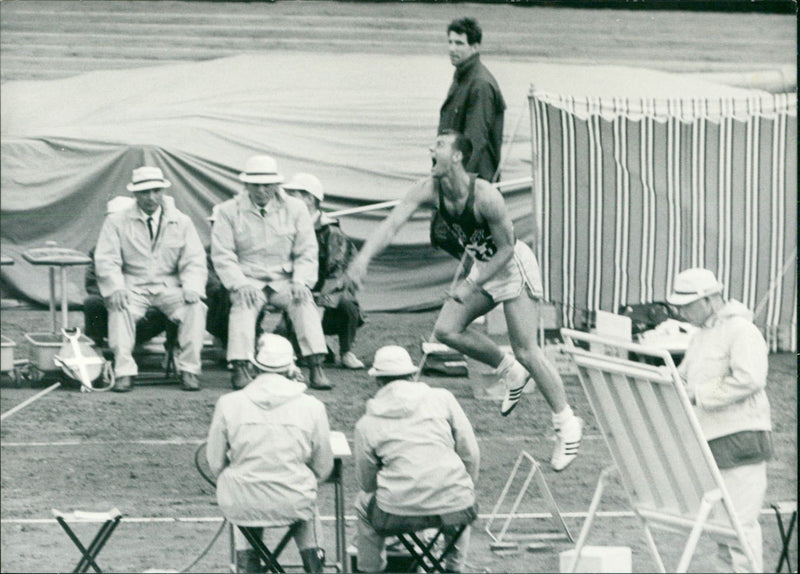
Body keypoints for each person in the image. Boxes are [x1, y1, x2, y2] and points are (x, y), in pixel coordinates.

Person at [344, 131, 583, 471]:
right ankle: (508, 370)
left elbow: (506, 250)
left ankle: (567, 424)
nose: (431, 148)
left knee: (527, 349)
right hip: (484, 269)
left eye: (439, 145)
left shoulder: (486, 196)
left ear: (457, 157)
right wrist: (363, 260)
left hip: (512, 266)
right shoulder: (430, 188)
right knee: (446, 329)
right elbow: (392, 224)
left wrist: (473, 286)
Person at [667, 268, 773, 573]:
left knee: (740, 526)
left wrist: (699, 394)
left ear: (711, 300)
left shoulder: (741, 330)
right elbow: (683, 375)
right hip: (711, 436)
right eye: (680, 306)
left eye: (688, 305)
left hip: (742, 435)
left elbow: (751, 378)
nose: (682, 312)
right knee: (722, 530)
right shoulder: (702, 335)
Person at [206, 334, 332, 574]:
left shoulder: (228, 403)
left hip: (242, 500)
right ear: (291, 367)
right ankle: (315, 566)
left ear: (253, 367)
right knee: (306, 503)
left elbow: (215, 463)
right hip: (293, 499)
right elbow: (323, 467)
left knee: (242, 499)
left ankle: (248, 566)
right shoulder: (313, 406)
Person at [353, 345, 479, 573]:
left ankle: (370, 569)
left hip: (396, 514)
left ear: (378, 381)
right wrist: (464, 485)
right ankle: (454, 567)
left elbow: (367, 484)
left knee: (363, 504)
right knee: (460, 493)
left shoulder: (366, 423)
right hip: (455, 507)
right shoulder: (443, 399)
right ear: (412, 375)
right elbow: (470, 453)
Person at [210, 155, 332, 390]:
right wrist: (239, 284)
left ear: (277, 185)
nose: (261, 190)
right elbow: (223, 254)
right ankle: (241, 366)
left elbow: (307, 251)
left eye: (267, 185)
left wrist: (300, 282)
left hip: (285, 279)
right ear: (246, 186)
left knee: (304, 301)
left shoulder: (296, 209)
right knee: (242, 306)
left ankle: (316, 365)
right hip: (248, 279)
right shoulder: (228, 211)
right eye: (256, 185)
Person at [94, 166, 207, 392]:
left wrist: (192, 286)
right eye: (144, 192)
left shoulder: (181, 221)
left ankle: (189, 369)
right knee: (119, 307)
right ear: (135, 194)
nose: (151, 197)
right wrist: (115, 288)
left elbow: (194, 259)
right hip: (133, 286)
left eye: (156, 191)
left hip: (169, 287)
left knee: (196, 308)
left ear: (163, 191)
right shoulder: (117, 221)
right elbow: (107, 259)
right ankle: (124, 371)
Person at [281, 172, 366, 370]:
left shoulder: (331, 232)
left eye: (293, 194)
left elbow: (338, 274)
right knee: (284, 337)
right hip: (298, 294)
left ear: (309, 199)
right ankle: (321, 348)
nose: (287, 199)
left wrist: (318, 302)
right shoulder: (287, 227)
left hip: (330, 300)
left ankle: (346, 352)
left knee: (347, 305)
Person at [84, 196, 178, 351]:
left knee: (177, 301)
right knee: (92, 303)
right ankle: (96, 349)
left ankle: (173, 350)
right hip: (114, 311)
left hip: (147, 316)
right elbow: (92, 284)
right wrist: (115, 295)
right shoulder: (99, 250)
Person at [438, 17, 506, 183]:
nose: (452, 48)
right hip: (455, 177)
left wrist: (458, 185)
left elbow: (474, 143)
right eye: (450, 42)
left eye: (459, 43)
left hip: (474, 184)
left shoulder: (480, 84)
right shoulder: (461, 77)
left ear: (475, 47)